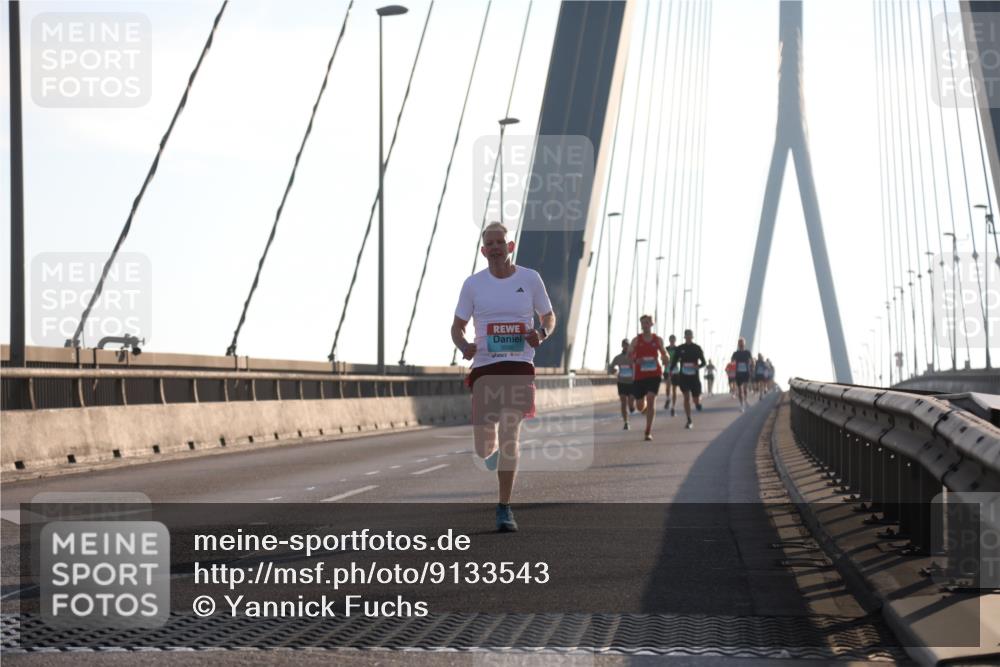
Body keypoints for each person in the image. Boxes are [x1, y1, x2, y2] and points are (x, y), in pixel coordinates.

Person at [451, 222, 555, 533]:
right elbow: (456, 327)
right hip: (485, 367)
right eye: (490, 244)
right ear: (483, 251)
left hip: (519, 365)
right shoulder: (473, 284)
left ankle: (504, 507)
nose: (495, 247)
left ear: (510, 247)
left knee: (511, 434)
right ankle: (494, 457)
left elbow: (548, 315)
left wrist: (543, 332)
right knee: (485, 449)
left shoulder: (530, 278)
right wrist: (464, 345)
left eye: (501, 242)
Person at [628, 315, 669, 441]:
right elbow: (629, 355)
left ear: (652, 324)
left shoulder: (657, 340)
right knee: (640, 406)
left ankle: (648, 431)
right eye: (643, 323)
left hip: (654, 374)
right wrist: (636, 359)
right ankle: (645, 410)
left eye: (647, 323)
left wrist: (665, 358)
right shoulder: (636, 340)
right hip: (640, 376)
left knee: (651, 399)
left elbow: (664, 352)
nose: (645, 325)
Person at [670, 329, 707, 429]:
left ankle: (698, 403)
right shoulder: (680, 348)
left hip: (694, 378)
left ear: (692, 336)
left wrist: (698, 367)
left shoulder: (697, 348)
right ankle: (689, 420)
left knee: (695, 400)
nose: (688, 337)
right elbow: (674, 361)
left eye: (690, 335)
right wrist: (670, 371)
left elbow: (704, 362)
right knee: (686, 397)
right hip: (684, 377)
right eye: (687, 335)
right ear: (684, 337)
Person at [609, 338, 636, 429]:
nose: (625, 346)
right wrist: (614, 371)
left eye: (627, 345)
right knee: (623, 402)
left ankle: (632, 406)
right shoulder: (618, 358)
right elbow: (611, 368)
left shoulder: (633, 357)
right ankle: (626, 422)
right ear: (622, 346)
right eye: (624, 345)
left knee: (630, 402)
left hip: (632, 383)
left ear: (629, 346)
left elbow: (638, 366)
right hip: (622, 382)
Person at [730, 337, 754, 412]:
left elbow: (752, 360)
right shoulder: (735, 353)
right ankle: (742, 405)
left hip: (746, 373)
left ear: (744, 344)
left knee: (745, 389)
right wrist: (732, 362)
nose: (741, 344)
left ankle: (746, 400)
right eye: (740, 343)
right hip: (738, 373)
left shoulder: (748, 352)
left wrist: (752, 366)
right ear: (738, 344)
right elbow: (732, 361)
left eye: (742, 343)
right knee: (740, 390)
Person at [663, 334, 679, 415]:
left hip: (675, 370)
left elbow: (680, 359)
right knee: (668, 387)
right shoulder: (666, 349)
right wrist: (665, 361)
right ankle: (668, 398)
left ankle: (673, 407)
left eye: (673, 339)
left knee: (674, 389)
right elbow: (662, 358)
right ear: (669, 340)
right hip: (667, 369)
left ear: (675, 340)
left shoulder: (677, 349)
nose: (672, 341)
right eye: (671, 339)